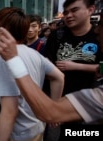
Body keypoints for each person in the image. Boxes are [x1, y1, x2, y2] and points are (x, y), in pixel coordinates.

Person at [0, 8, 103, 125]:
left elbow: (11, 111)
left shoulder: (7, 58)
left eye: (100, 24)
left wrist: (13, 60)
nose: (96, 30)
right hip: (40, 121)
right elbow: (59, 78)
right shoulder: (34, 51)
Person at [0, 7, 64, 141]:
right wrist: (54, 108)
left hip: (21, 133)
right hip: (37, 127)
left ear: (4, 30)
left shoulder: (3, 59)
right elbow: (59, 77)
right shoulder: (34, 54)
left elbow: (9, 112)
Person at [44, 0, 101, 140]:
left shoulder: (98, 36)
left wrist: (77, 66)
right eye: (66, 12)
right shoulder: (57, 35)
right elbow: (46, 65)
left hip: (89, 102)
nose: (68, 15)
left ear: (91, 9)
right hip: (58, 99)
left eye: (74, 10)